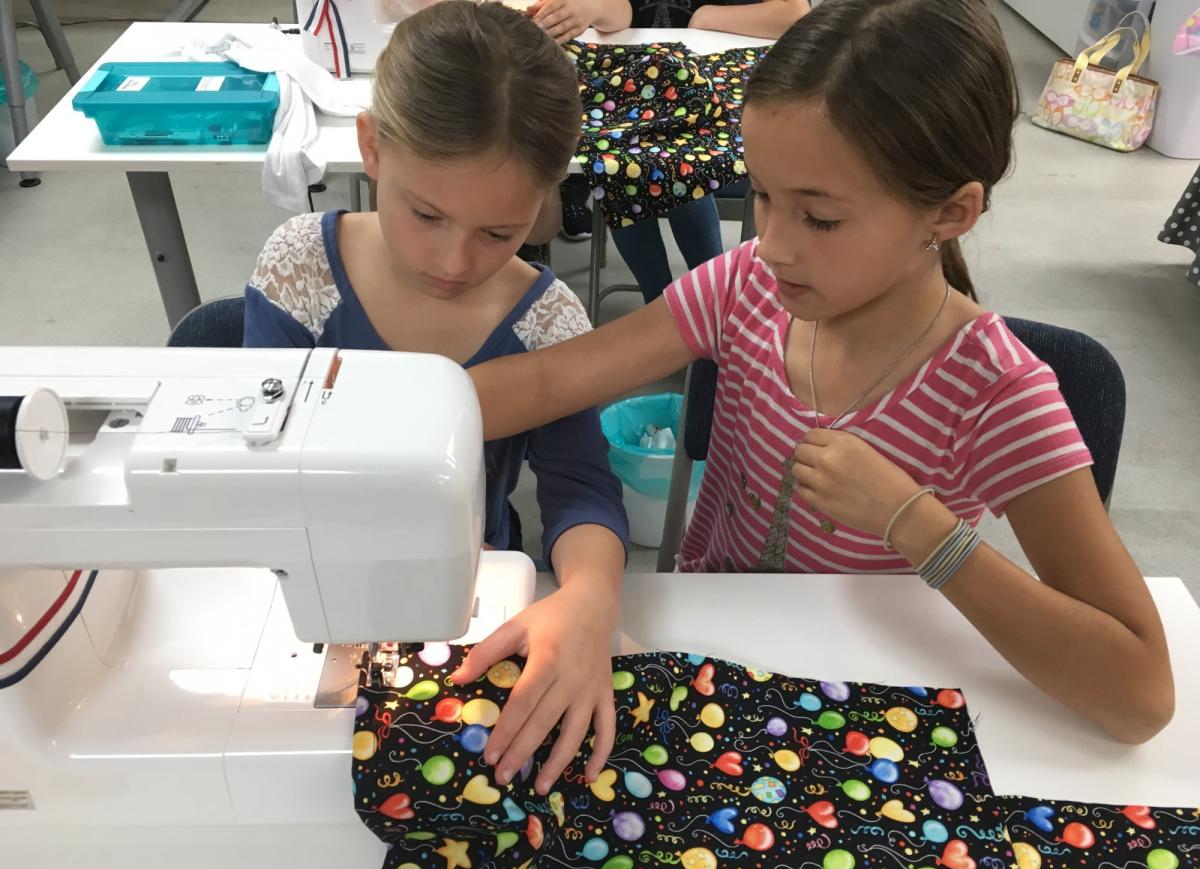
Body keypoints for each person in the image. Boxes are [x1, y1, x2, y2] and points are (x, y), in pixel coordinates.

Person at [468, 0, 1175, 744]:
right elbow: (549, 383)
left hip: (869, 706)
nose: (771, 243)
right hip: (720, 662)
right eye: (764, 197)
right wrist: (384, 416)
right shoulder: (746, 287)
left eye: (822, 219)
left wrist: (917, 525)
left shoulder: (994, 392)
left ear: (951, 212)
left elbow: (1140, 694)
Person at [243, 0, 629, 794]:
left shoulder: (548, 320)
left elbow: (582, 487)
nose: (454, 260)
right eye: (426, 215)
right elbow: (262, 468)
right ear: (373, 147)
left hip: (467, 583)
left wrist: (589, 595)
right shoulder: (299, 274)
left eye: (499, 233)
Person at [542, 0, 808, 303]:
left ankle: (702, 303)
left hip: (702, 95)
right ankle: (675, 304)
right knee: (624, 166)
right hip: (635, 94)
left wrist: (705, 17)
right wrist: (593, 9)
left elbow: (793, 14)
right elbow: (622, 12)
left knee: (670, 164)